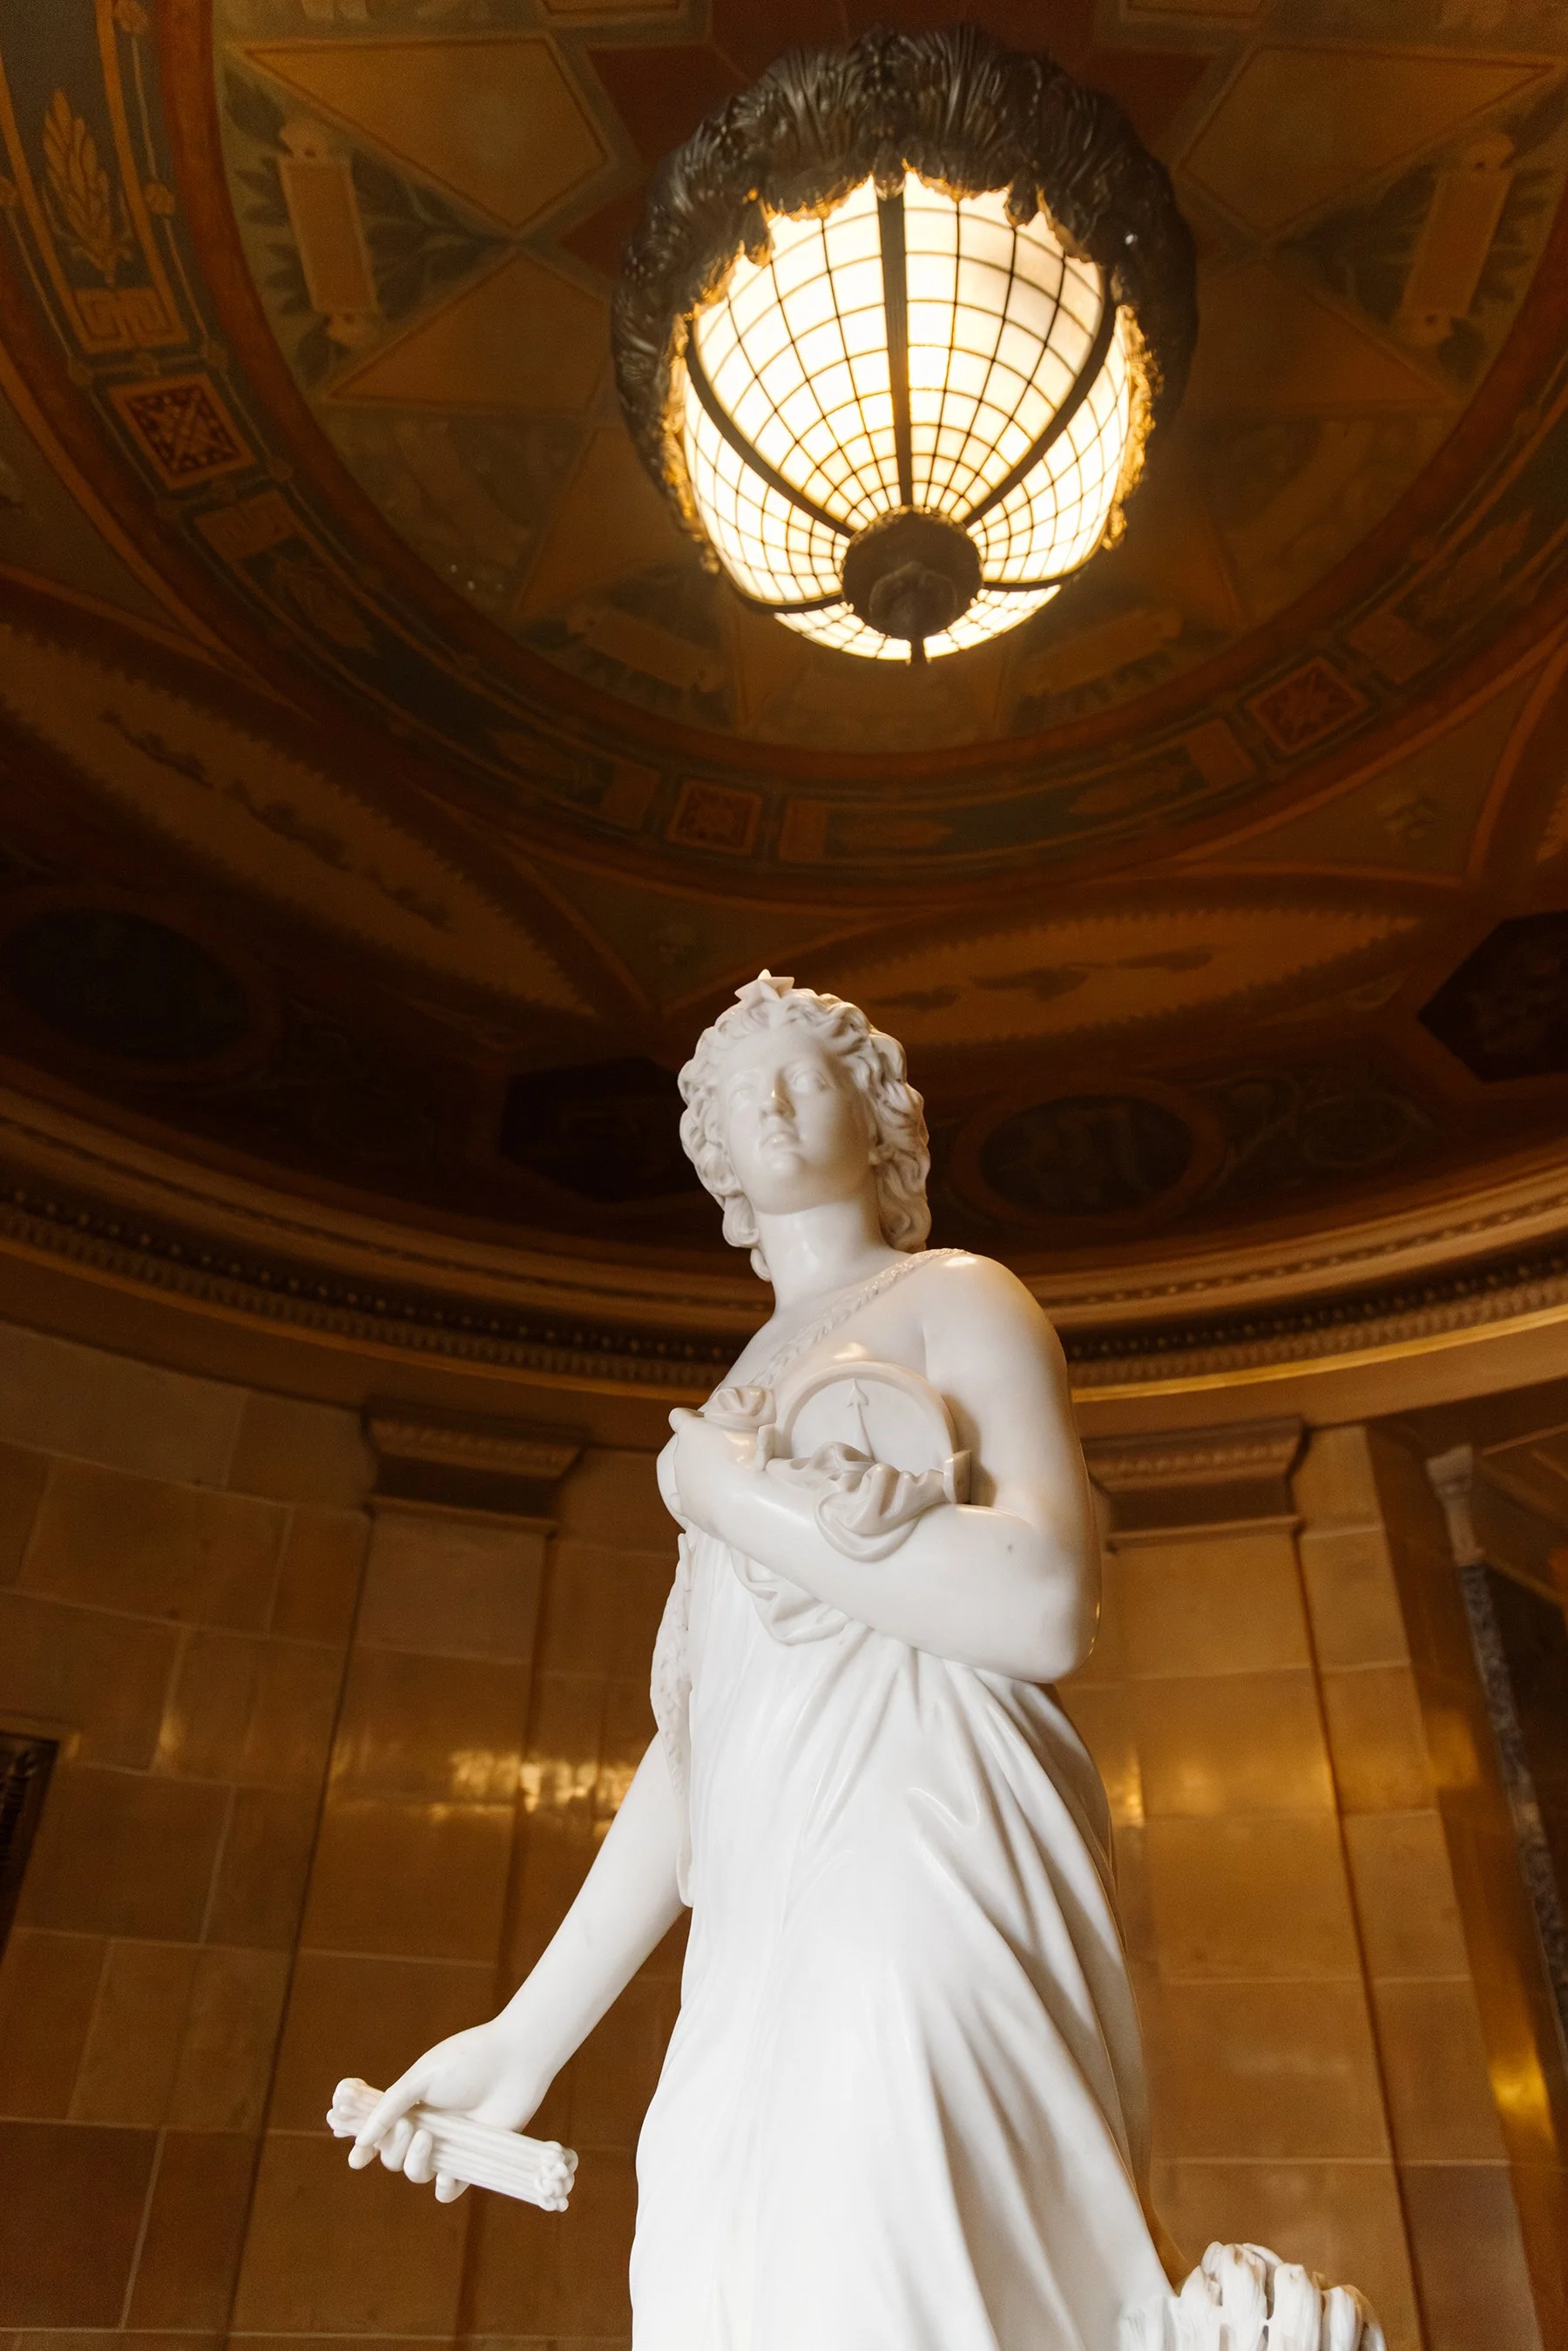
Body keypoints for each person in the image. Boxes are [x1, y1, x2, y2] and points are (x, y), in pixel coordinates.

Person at [347, 970, 1174, 2351]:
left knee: (877, 2272)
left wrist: (736, 1494)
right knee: (716, 2277)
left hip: (915, 1861)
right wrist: (527, 2036)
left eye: (809, 1075)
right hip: (756, 1920)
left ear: (880, 1114)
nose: (775, 1102)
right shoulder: (734, 1390)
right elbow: (698, 1745)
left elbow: (1044, 1604)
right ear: (713, 1149)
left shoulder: (957, 1297)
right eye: (742, 1091)